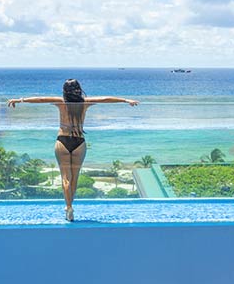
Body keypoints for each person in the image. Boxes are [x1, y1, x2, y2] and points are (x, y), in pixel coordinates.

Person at [8, 79, 139, 221]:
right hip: (79, 142)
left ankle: (69, 207)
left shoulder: (61, 102)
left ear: (64, 90)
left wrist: (19, 100)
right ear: (79, 89)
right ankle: (70, 205)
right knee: (74, 178)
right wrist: (126, 100)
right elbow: (105, 99)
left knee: (65, 178)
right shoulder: (85, 103)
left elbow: (40, 99)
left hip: (63, 140)